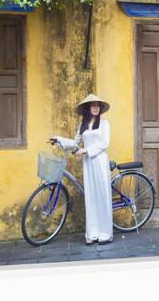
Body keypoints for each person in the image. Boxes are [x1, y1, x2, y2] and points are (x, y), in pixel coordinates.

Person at [50, 93, 113, 245]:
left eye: (97, 105)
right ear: (87, 108)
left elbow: (105, 143)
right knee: (91, 196)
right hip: (88, 163)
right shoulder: (82, 125)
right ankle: (93, 233)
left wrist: (87, 150)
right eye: (92, 105)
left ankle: (106, 233)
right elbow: (75, 142)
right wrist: (59, 139)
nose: (95, 108)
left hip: (99, 161)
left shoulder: (104, 124)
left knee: (102, 195)